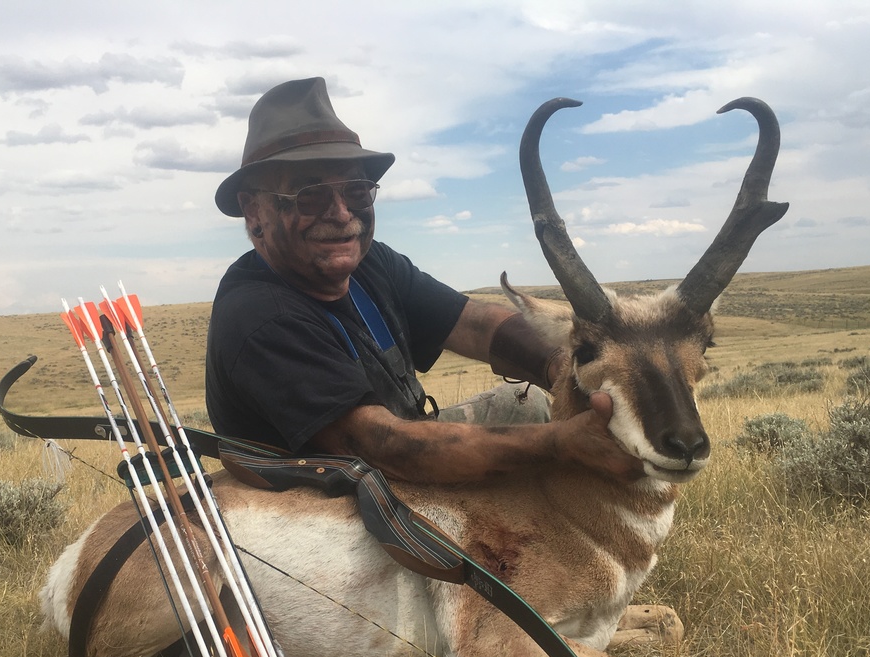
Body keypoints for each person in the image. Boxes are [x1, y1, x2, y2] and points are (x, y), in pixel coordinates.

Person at [206, 77, 640, 485]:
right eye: (310, 194)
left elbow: (478, 325)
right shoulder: (259, 315)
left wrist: (566, 370)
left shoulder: (370, 263)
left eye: (356, 190)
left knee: (519, 407)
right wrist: (563, 445)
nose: (341, 213)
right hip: (330, 509)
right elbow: (382, 447)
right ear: (255, 212)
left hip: (395, 458)